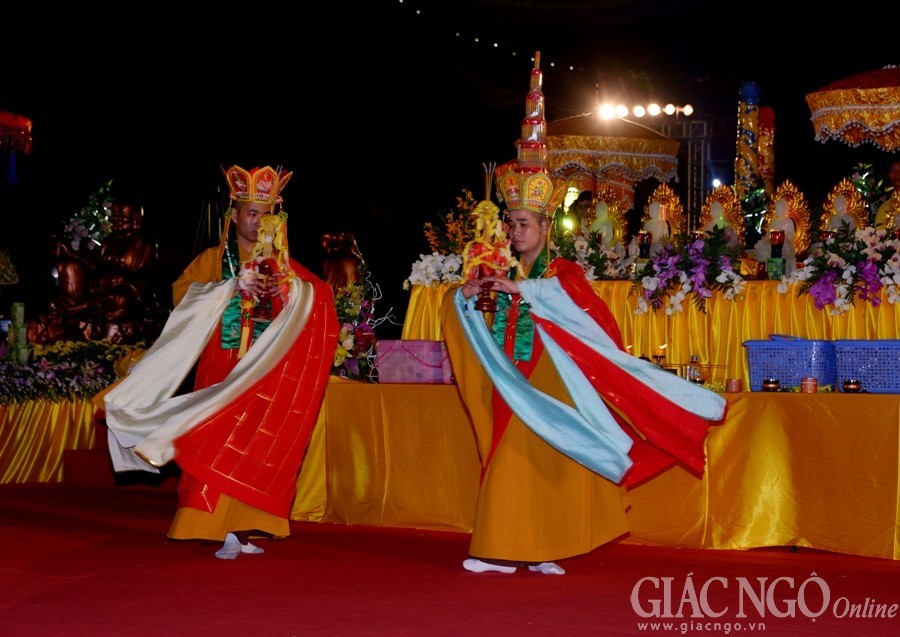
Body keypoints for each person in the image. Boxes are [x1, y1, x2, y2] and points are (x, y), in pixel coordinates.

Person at [441, 170, 727, 576]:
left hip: (554, 378)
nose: (516, 231)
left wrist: (524, 291)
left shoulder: (561, 273)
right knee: (515, 458)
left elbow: (576, 303)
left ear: (545, 227)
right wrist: (466, 297)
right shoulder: (505, 272)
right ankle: (506, 548)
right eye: (512, 224)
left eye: (525, 224)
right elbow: (479, 320)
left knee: (552, 464)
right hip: (514, 379)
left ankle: (533, 549)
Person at [104, 165, 339, 559]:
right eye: (250, 212)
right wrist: (232, 285)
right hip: (222, 367)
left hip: (263, 373)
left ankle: (243, 527)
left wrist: (288, 289)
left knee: (256, 444)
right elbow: (183, 296)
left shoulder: (284, 265)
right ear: (233, 215)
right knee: (213, 439)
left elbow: (318, 296)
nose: (258, 221)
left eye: (266, 214)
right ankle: (211, 525)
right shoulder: (215, 259)